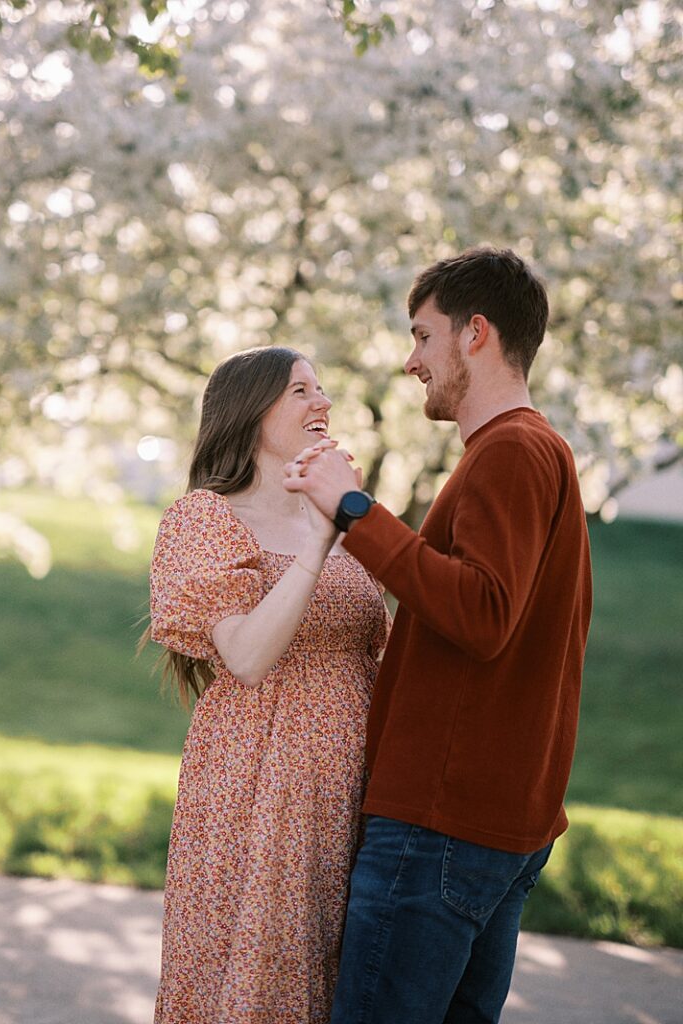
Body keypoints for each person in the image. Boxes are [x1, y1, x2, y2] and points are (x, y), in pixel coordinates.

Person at [284, 247, 593, 1024]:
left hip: (440, 827)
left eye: (423, 336)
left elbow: (483, 615)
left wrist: (354, 512)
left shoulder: (514, 452)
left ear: (475, 334)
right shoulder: (531, 451)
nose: (411, 360)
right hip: (490, 823)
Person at [147, 346, 390, 1024]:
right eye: (301, 391)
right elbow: (247, 657)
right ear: (252, 412)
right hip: (258, 781)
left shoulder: (344, 516)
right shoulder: (205, 518)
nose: (324, 404)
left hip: (350, 782)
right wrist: (316, 543)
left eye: (323, 388)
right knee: (257, 974)